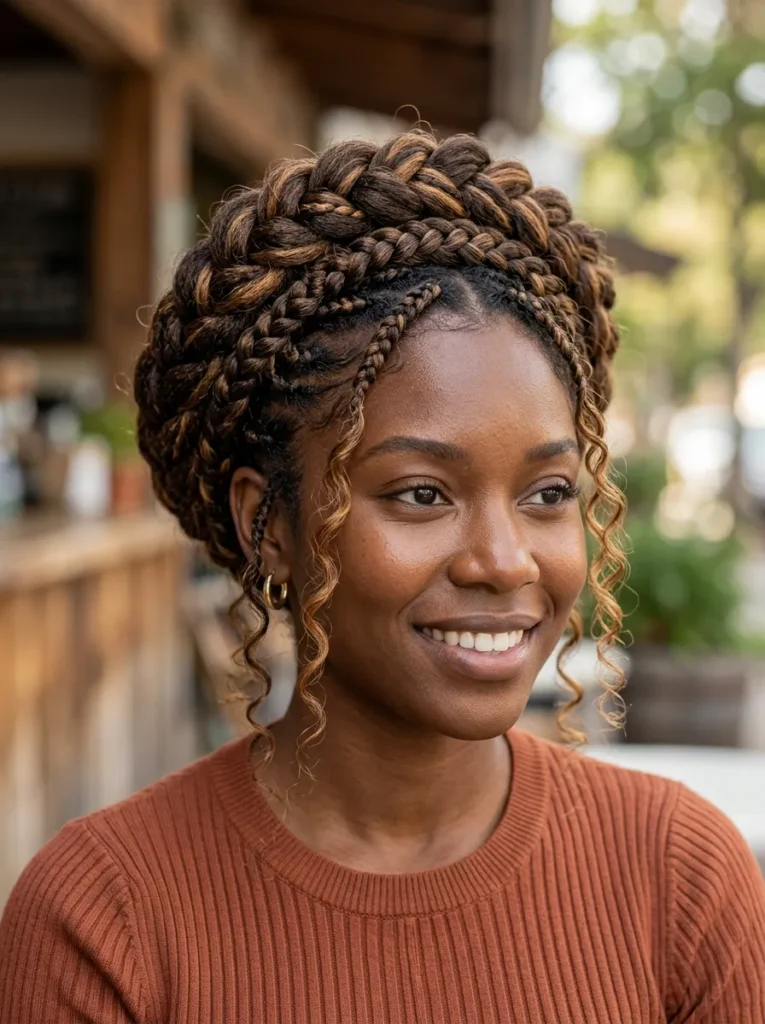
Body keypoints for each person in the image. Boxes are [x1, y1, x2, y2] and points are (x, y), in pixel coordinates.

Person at [1, 132, 763, 1024]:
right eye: (421, 493)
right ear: (267, 526)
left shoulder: (681, 879)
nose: (504, 560)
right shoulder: (103, 921)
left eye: (548, 493)